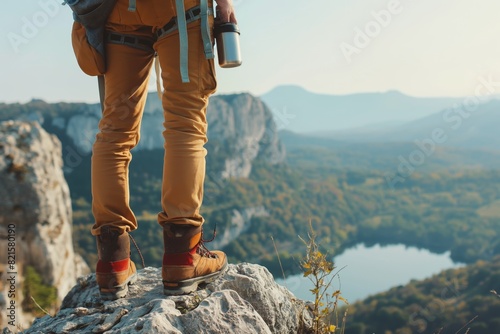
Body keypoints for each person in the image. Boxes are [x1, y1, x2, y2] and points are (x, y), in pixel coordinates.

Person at [89, 0, 236, 300]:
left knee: (114, 133)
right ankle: (183, 258)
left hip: (116, 12)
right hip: (178, 9)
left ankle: (113, 261)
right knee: (185, 124)